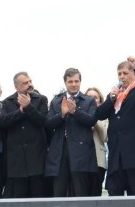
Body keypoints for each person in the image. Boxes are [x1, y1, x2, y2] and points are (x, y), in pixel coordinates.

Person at [95, 56, 135, 196]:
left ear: (133, 74)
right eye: (119, 73)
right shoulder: (116, 96)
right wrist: (111, 98)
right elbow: (100, 114)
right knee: (115, 195)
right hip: (117, 157)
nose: (122, 76)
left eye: (125, 73)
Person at [45, 68, 98, 197]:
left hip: (81, 153)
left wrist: (75, 112)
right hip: (59, 152)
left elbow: (92, 120)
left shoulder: (89, 101)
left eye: (76, 81)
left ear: (80, 82)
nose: (74, 84)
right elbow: (48, 123)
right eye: (70, 81)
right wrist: (62, 114)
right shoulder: (56, 101)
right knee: (59, 194)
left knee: (81, 193)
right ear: (65, 83)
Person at [0, 72, 49, 198]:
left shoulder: (41, 99)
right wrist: (20, 111)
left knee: (38, 197)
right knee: (19, 199)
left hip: (37, 159)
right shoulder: (7, 102)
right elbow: (2, 122)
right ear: (16, 86)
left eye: (30, 81)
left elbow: (44, 121)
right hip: (17, 162)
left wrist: (29, 107)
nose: (29, 85)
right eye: (25, 83)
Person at [85, 87, 108, 196]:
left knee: (95, 194)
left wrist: (93, 118)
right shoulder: (80, 115)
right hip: (82, 160)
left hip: (98, 161)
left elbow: (105, 137)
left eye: (95, 97)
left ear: (100, 100)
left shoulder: (104, 116)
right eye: (89, 97)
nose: (92, 100)